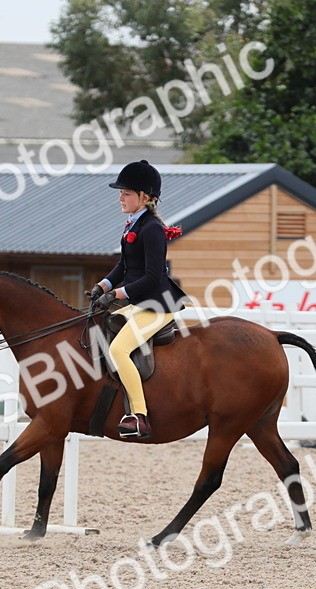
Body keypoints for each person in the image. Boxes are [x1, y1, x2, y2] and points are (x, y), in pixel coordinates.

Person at [87, 160, 187, 440]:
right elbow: (124, 266)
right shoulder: (133, 224)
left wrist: (118, 294)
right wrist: (102, 285)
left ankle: (139, 416)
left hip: (156, 305)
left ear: (145, 197)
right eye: (121, 193)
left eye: (126, 193)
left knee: (118, 350)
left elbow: (154, 277)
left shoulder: (152, 228)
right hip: (140, 303)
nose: (120, 198)